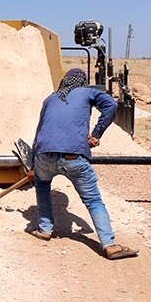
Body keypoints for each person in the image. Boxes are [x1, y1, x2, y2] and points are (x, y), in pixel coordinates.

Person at [29, 68, 138, 260]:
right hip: (73, 157)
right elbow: (111, 105)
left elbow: (39, 133)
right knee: (93, 200)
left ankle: (45, 229)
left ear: (64, 82)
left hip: (44, 157)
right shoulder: (89, 92)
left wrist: (32, 166)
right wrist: (96, 133)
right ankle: (110, 245)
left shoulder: (50, 98)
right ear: (83, 82)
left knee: (42, 185)